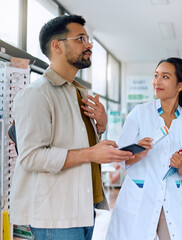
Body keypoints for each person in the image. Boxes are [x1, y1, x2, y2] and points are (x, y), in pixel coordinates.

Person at [10, 15, 134, 240]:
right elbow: (30, 156)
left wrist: (101, 126)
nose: (89, 45)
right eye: (81, 38)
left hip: (85, 208)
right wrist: (92, 153)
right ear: (56, 46)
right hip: (56, 216)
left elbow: (76, 142)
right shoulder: (36, 94)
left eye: (88, 39)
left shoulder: (80, 93)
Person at [106, 57, 182, 240]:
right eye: (156, 75)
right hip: (139, 195)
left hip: (169, 197)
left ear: (180, 86)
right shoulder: (140, 113)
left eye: (165, 77)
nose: (157, 81)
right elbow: (120, 156)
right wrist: (137, 152)